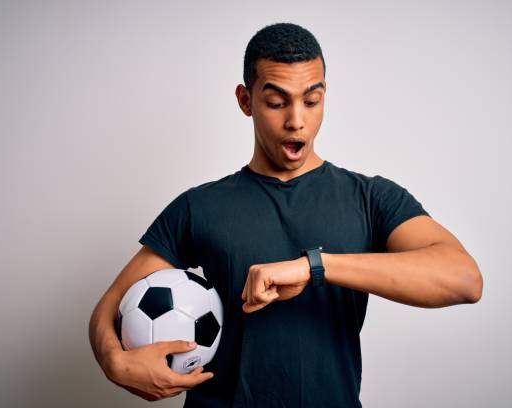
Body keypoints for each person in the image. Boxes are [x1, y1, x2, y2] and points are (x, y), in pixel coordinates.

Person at [88, 22, 483, 407]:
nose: (297, 121)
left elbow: (464, 280)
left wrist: (314, 267)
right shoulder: (200, 206)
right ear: (246, 101)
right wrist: (114, 361)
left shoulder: (370, 197)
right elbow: (111, 304)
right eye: (276, 102)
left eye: (311, 101)